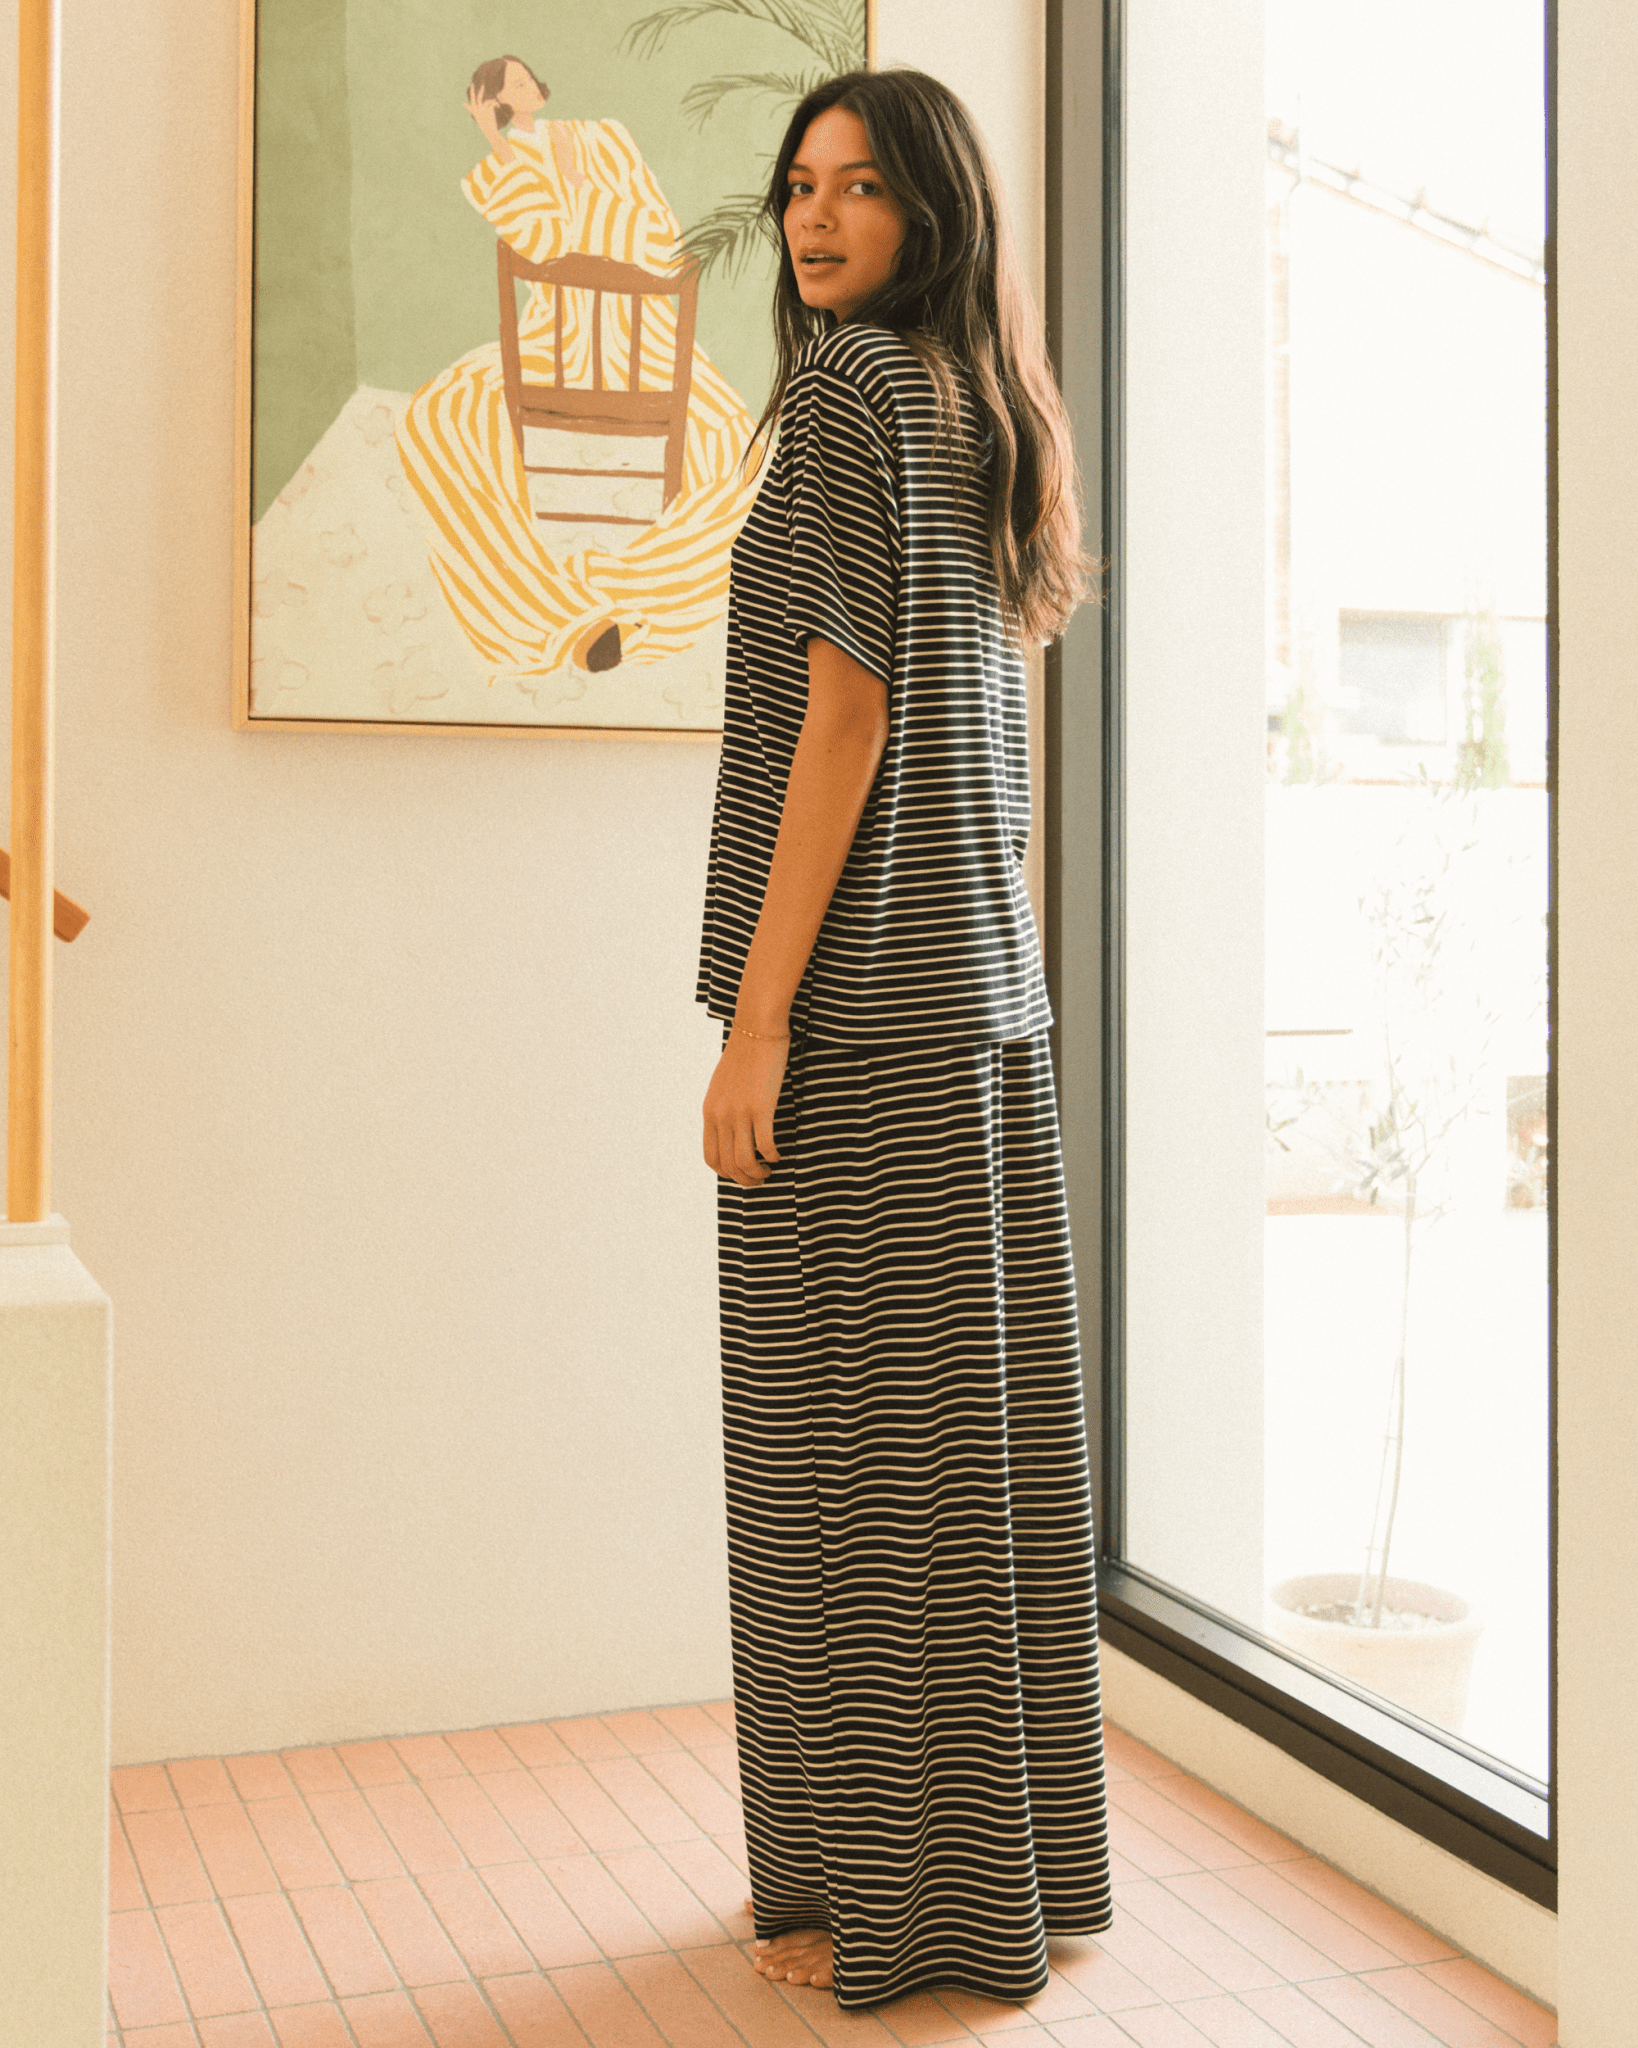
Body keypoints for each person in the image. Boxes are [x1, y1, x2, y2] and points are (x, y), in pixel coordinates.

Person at [696, 67, 1114, 2012]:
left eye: (859, 186)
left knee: (843, 1477)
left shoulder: (852, 391)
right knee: (963, 1467)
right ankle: (989, 1884)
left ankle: (882, 1909)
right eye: (799, 183)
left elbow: (846, 717)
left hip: (861, 1021)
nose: (814, 216)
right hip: (982, 1008)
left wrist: (757, 1024)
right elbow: (986, 745)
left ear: (929, 207)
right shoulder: (981, 403)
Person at [398, 57, 761, 681]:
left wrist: (574, 199)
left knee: (738, 451)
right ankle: (556, 612)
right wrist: (499, 145)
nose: (524, 88)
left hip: (645, 339)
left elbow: (659, 237)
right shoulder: (496, 171)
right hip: (555, 338)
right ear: (492, 100)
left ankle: (625, 595)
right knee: (437, 414)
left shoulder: (604, 137)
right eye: (509, 85)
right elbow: (541, 244)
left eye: (525, 78)